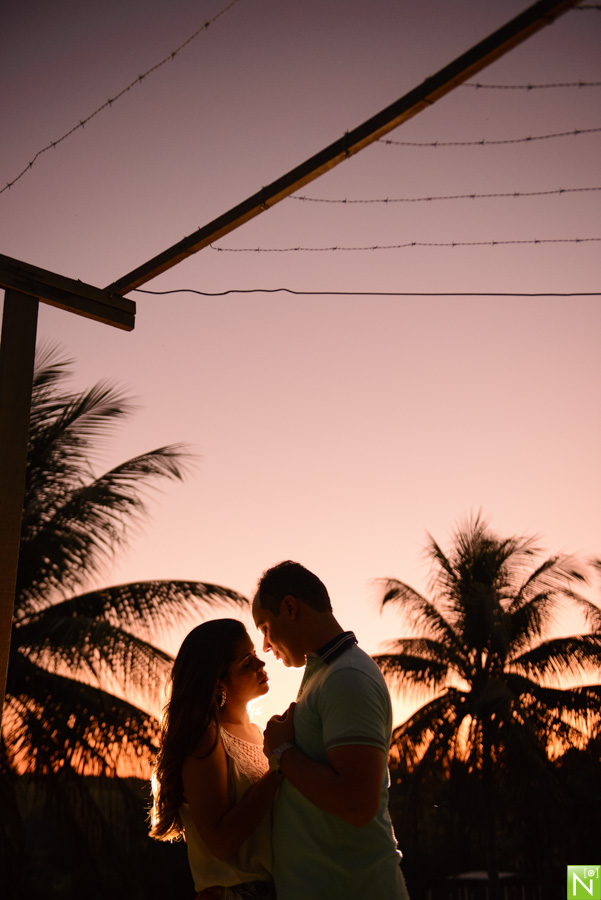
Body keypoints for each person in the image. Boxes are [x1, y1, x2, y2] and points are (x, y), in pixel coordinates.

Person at [252, 561, 410, 900]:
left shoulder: (346, 677)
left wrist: (282, 752)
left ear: (290, 608)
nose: (265, 645)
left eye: (265, 627)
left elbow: (357, 804)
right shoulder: (324, 674)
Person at [150, 618, 280, 900]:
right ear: (218, 682)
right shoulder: (206, 739)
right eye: (247, 663)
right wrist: (281, 766)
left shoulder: (260, 735)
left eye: (256, 656)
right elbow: (220, 843)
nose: (261, 665)